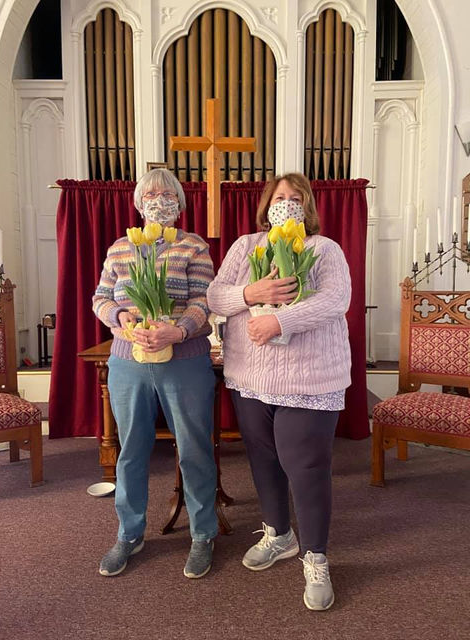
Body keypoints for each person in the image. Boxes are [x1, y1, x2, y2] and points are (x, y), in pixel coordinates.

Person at [206, 172, 351, 611]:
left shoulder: (323, 249)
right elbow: (215, 296)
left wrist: (280, 320)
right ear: (266, 205)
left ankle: (316, 557)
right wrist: (252, 293)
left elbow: (336, 300)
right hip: (251, 377)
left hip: (308, 378)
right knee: (263, 460)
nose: (286, 202)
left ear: (307, 207)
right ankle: (279, 534)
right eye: (279, 196)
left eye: (295, 197)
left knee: (306, 468)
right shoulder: (246, 246)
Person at [93, 168, 217, 579]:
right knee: (131, 449)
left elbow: (204, 300)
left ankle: (203, 533)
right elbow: (100, 298)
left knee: (194, 449)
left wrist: (178, 330)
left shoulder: (193, 246)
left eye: (167, 195)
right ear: (138, 203)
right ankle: (129, 534)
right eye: (151, 194)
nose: (159, 200)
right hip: (128, 361)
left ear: (179, 204)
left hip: (184, 361)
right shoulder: (120, 248)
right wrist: (120, 315)